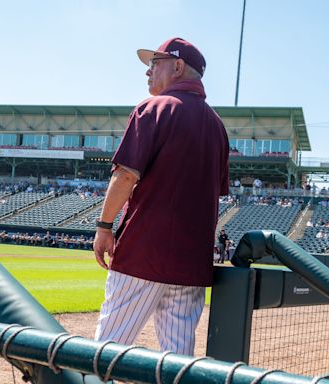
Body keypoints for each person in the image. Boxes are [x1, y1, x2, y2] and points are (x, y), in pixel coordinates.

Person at [92, 37, 229, 356]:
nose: (148, 72)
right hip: (191, 266)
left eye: (155, 63)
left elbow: (125, 175)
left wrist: (103, 226)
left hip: (142, 255)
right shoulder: (217, 126)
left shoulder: (153, 107)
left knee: (106, 351)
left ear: (178, 67)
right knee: (179, 361)